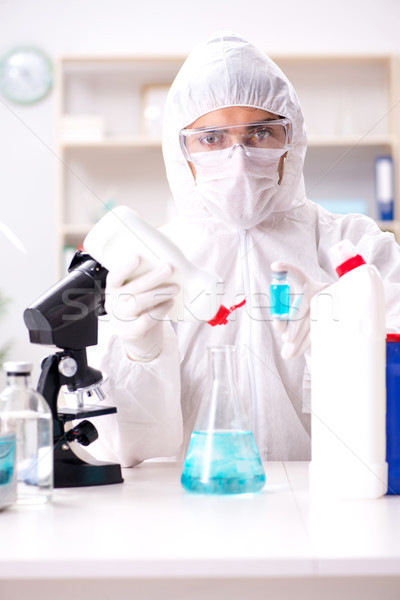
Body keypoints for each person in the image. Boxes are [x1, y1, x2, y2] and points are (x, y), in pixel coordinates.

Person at [89, 32, 400, 467]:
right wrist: (140, 352)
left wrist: (348, 326)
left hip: (331, 499)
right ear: (182, 152)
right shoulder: (148, 264)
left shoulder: (353, 245)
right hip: (184, 509)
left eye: (259, 133)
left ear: (290, 141)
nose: (237, 159)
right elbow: (116, 451)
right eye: (212, 138)